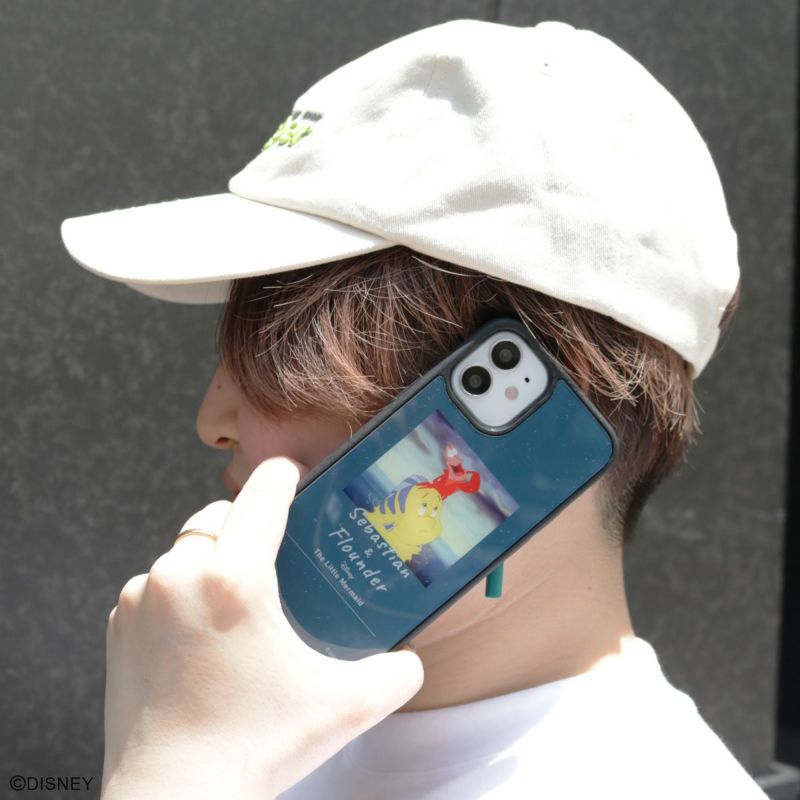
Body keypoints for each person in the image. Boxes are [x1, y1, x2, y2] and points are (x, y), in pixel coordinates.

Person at [60, 18, 768, 800]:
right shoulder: (235, 708)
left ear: (537, 409)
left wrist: (170, 775)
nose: (212, 420)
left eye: (285, 356)